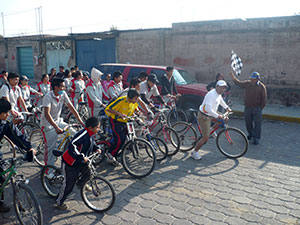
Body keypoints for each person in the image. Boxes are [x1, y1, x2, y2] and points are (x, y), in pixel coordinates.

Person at [56, 116, 102, 210]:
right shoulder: (83, 134)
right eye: (97, 127)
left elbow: (92, 143)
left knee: (90, 172)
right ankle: (59, 202)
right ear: (90, 128)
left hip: (81, 161)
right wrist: (81, 156)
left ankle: (81, 184)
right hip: (71, 162)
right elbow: (72, 145)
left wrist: (96, 148)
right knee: (68, 185)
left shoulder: (90, 134)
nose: (99, 129)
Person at [41, 78, 84, 170]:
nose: (64, 88)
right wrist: (56, 128)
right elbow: (47, 114)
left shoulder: (63, 94)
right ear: (56, 87)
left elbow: (71, 107)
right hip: (48, 124)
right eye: (63, 86)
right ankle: (48, 171)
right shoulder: (48, 97)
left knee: (74, 134)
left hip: (58, 121)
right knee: (50, 149)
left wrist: (80, 121)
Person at [0, 99, 35, 212]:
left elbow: (17, 136)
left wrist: (29, 148)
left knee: (1, 177)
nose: (8, 115)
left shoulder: (5, 124)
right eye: (5, 113)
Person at [192, 80, 231, 160]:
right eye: (221, 87)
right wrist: (217, 115)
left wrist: (227, 107)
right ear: (217, 87)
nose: (222, 89)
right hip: (204, 116)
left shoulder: (218, 94)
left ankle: (211, 130)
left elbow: (220, 101)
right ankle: (194, 152)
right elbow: (207, 108)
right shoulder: (211, 95)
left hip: (211, 113)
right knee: (205, 138)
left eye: (224, 88)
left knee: (225, 119)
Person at [104, 89, 140, 165]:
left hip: (126, 121)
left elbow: (134, 109)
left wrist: (136, 113)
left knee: (128, 136)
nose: (137, 100)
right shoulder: (121, 100)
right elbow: (108, 108)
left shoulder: (134, 102)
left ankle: (119, 150)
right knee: (120, 139)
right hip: (115, 121)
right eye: (135, 98)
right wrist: (119, 114)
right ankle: (110, 154)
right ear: (130, 97)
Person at [230, 71, 267, 145]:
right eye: (251, 78)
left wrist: (260, 108)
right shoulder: (247, 84)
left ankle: (256, 138)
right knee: (248, 123)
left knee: (257, 124)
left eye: (253, 79)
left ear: (257, 79)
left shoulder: (262, 87)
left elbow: (264, 99)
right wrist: (233, 77)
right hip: (248, 108)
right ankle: (251, 134)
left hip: (257, 108)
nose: (252, 80)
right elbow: (238, 83)